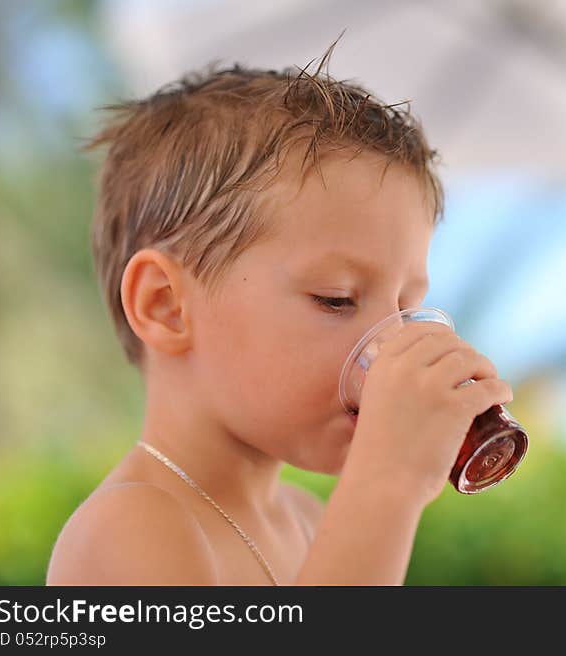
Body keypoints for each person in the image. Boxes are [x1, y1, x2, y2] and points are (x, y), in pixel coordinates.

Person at [45, 38, 513, 586]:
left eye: (405, 308)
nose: (387, 345)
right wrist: (386, 486)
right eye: (335, 298)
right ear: (166, 306)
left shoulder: (309, 521)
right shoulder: (129, 531)